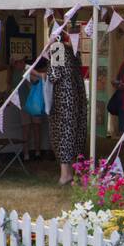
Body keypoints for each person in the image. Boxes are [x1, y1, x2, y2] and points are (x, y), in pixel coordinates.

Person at [43, 40, 87, 185]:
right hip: (77, 95)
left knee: (63, 134)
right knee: (75, 133)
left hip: (63, 98)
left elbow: (54, 75)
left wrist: (38, 73)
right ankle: (74, 170)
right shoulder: (73, 49)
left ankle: (65, 174)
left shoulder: (57, 48)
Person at [13, 57, 45, 161]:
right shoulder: (15, 74)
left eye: (23, 61)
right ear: (15, 63)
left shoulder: (27, 71)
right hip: (25, 105)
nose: (23, 63)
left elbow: (37, 80)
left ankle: (36, 152)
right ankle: (28, 153)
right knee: (27, 129)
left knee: (36, 128)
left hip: (32, 104)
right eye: (20, 61)